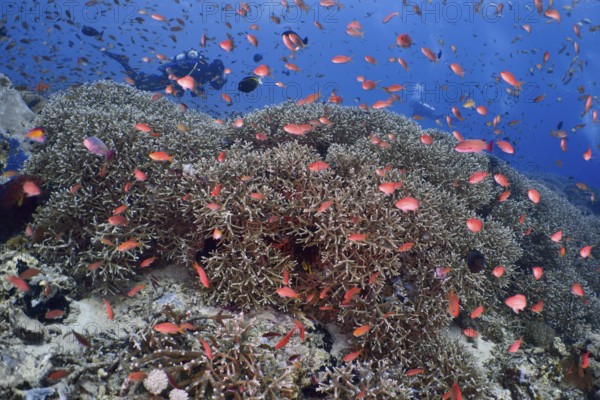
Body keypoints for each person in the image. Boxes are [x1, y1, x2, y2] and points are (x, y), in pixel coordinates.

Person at [101, 49, 226, 97]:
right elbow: (171, 66)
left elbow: (194, 90)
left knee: (142, 85)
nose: (215, 78)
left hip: (171, 83)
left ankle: (119, 89)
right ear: (215, 70)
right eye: (217, 75)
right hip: (168, 79)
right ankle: (123, 62)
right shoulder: (198, 67)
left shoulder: (205, 76)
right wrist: (173, 77)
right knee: (140, 84)